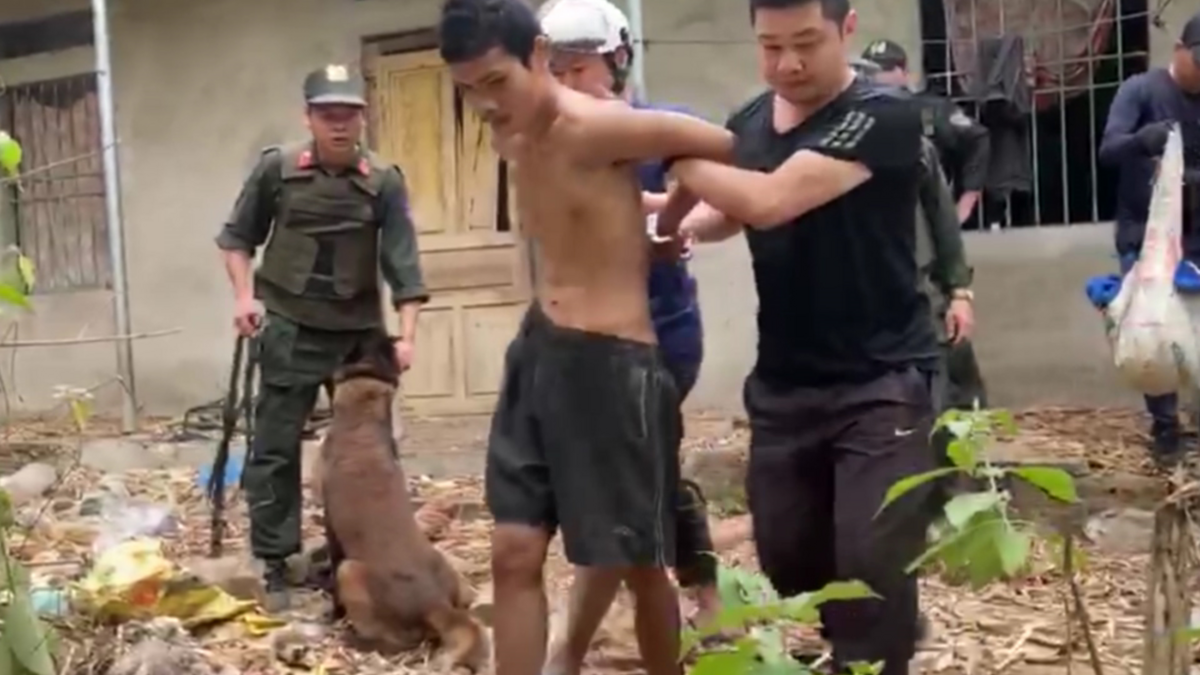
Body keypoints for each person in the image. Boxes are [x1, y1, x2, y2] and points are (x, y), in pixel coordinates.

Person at [436, 1, 735, 674]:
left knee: (637, 560)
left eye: (496, 82)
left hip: (615, 362)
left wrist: (675, 218)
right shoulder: (508, 131)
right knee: (513, 550)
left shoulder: (599, 126)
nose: (485, 103)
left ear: (538, 56)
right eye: (467, 89)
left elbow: (725, 145)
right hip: (538, 350)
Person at [671, 0, 939, 672]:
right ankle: (881, 624)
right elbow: (731, 207)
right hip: (787, 382)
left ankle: (874, 646)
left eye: (806, 43)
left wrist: (668, 149)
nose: (788, 63)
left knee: (871, 558)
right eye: (771, 46)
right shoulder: (750, 121)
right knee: (788, 556)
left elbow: (769, 200)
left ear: (847, 29)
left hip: (882, 378)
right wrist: (674, 226)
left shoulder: (883, 114)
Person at [534, 0, 720, 671]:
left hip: (661, 336)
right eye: (556, 72)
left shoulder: (661, 128)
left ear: (617, 61)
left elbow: (725, 197)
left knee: (620, 498)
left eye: (579, 69)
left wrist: (680, 224)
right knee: (640, 482)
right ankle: (703, 593)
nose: (568, 84)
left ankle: (567, 654)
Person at [214, 64, 429, 611]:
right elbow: (236, 239)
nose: (339, 125)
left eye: (349, 115)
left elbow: (404, 265)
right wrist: (244, 298)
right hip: (290, 324)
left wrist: (405, 338)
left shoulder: (383, 181)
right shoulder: (278, 170)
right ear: (307, 117)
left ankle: (361, 554)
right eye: (328, 114)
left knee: (369, 455)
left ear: (362, 119)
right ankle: (275, 558)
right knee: (276, 447)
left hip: (359, 340)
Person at [862, 38, 989, 411]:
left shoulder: (929, 116)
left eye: (888, 71)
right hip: (878, 276)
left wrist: (969, 198)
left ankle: (965, 424)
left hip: (926, 259)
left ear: (905, 73)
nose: (881, 79)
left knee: (950, 354)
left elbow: (976, 141)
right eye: (874, 73)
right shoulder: (851, 130)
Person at [1098, 10, 1200, 464]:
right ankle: (1165, 429)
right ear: (1179, 50)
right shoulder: (1141, 90)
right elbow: (1109, 150)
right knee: (1152, 332)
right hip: (1145, 236)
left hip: (1196, 237)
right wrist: (1142, 140)